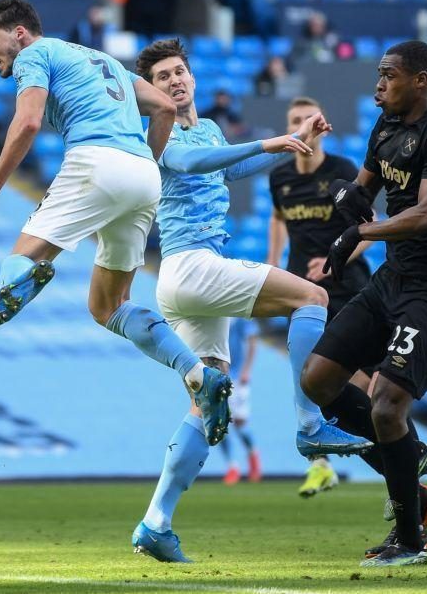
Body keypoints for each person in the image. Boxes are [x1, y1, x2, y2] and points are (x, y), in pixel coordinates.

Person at [0, 0, 233, 448]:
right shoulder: (102, 59)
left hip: (94, 161)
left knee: (18, 260)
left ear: (19, 34)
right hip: (142, 176)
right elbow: (163, 107)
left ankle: (31, 272)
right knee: (109, 306)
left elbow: (27, 122)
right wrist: (147, 164)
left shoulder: (36, 55)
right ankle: (199, 373)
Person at [128, 38, 372, 563]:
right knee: (310, 296)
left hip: (191, 280)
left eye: (180, 72)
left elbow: (227, 168)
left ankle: (155, 522)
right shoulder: (157, 130)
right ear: (151, 90)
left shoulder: (212, 127)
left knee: (206, 402)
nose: (174, 81)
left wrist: (294, 142)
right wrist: (269, 143)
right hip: (192, 265)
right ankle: (310, 425)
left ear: (192, 78)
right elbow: (192, 164)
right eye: (163, 76)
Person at [300, 41, 427, 567]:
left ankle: (410, 537)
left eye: (388, 76)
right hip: (392, 282)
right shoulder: (385, 130)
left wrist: (360, 228)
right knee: (318, 380)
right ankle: (407, 463)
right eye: (378, 76)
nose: (378, 85)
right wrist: (345, 202)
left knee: (386, 406)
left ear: (420, 80)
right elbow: (364, 193)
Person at [267, 96, 377, 498]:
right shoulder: (279, 177)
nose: (301, 125)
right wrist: (272, 263)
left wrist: (336, 258)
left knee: (366, 384)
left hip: (349, 289)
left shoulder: (343, 173)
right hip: (303, 295)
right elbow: (278, 217)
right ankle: (321, 464)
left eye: (306, 119)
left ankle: (390, 452)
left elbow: (372, 227)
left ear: (321, 124)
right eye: (293, 120)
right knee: (309, 378)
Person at [219, 318, 260, 485]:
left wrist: (247, 370)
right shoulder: (212, 309)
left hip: (237, 377)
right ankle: (232, 467)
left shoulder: (238, 312)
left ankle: (253, 456)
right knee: (219, 424)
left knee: (240, 424)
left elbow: (252, 340)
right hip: (217, 377)